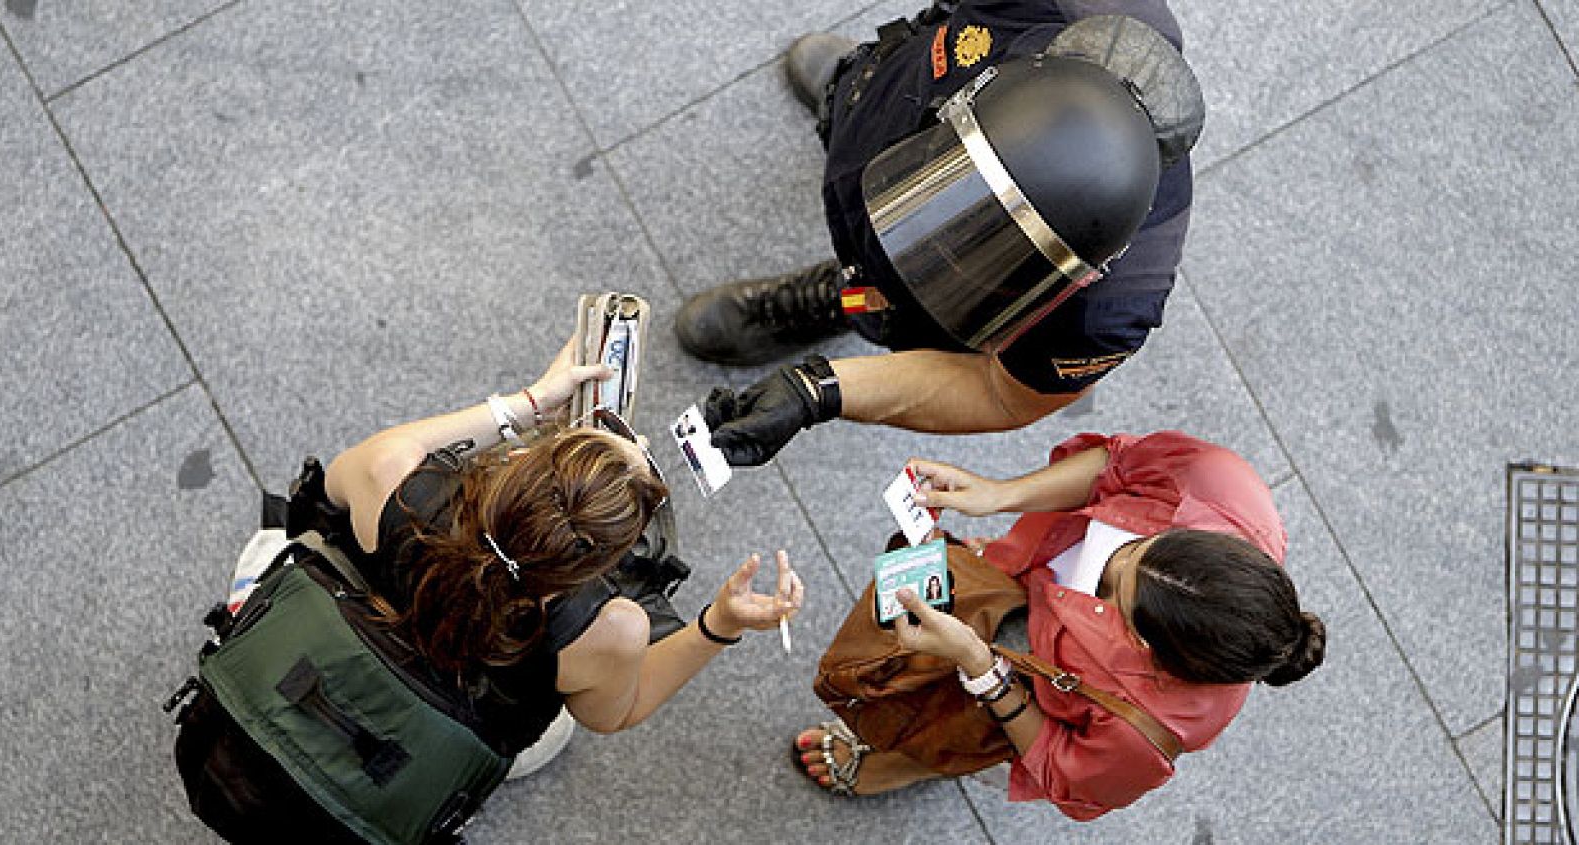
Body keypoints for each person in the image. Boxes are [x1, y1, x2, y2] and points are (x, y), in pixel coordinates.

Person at [303, 335, 805, 835]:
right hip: (440, 736)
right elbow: (613, 714)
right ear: (607, 563)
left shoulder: (392, 474)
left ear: (520, 464)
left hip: (325, 653)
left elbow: (330, 490)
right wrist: (720, 623)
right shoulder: (608, 629)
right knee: (555, 733)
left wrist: (533, 402)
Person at [676, 2, 1206, 467]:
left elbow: (999, 395)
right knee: (860, 102)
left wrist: (817, 391)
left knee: (876, 301)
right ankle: (842, 95)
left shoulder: (1111, 310)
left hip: (915, 302)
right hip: (892, 101)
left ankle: (842, 299)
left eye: (996, 241)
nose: (945, 238)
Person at [793, 430, 1325, 820]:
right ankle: (927, 751)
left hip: (1025, 684)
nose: (1110, 555)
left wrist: (980, 666)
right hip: (1019, 579)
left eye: (1113, 584)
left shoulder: (1149, 733)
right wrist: (998, 494)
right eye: (1140, 543)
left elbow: (1061, 768)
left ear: (1142, 643)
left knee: (951, 728)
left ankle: (919, 762)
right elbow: (1115, 465)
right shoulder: (1221, 486)